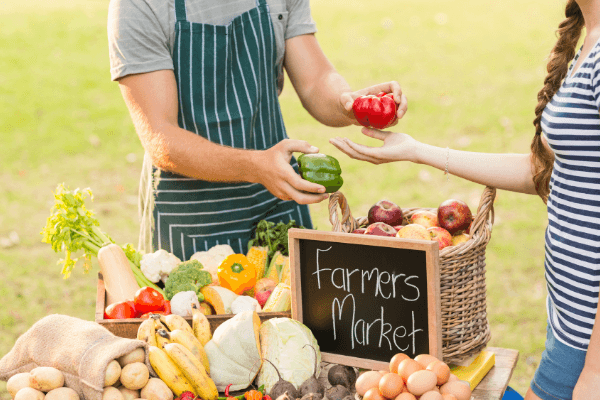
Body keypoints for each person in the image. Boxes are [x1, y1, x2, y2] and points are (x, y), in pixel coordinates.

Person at [330, 0, 600, 399]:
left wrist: (593, 376)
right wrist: (417, 150)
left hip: (588, 345)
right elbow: (543, 173)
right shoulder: (589, 42)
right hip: (572, 323)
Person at [107, 0, 407, 259]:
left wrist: (349, 104)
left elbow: (316, 79)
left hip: (276, 204)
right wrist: (256, 166)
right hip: (191, 219)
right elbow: (163, 138)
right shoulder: (139, 5)